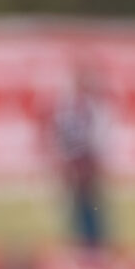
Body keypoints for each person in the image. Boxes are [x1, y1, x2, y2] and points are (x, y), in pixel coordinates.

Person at [47, 65, 110, 250]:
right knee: (77, 206)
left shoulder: (88, 106)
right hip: (76, 161)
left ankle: (93, 244)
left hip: (84, 161)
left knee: (91, 205)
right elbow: (62, 133)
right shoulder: (73, 106)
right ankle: (84, 244)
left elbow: (97, 135)